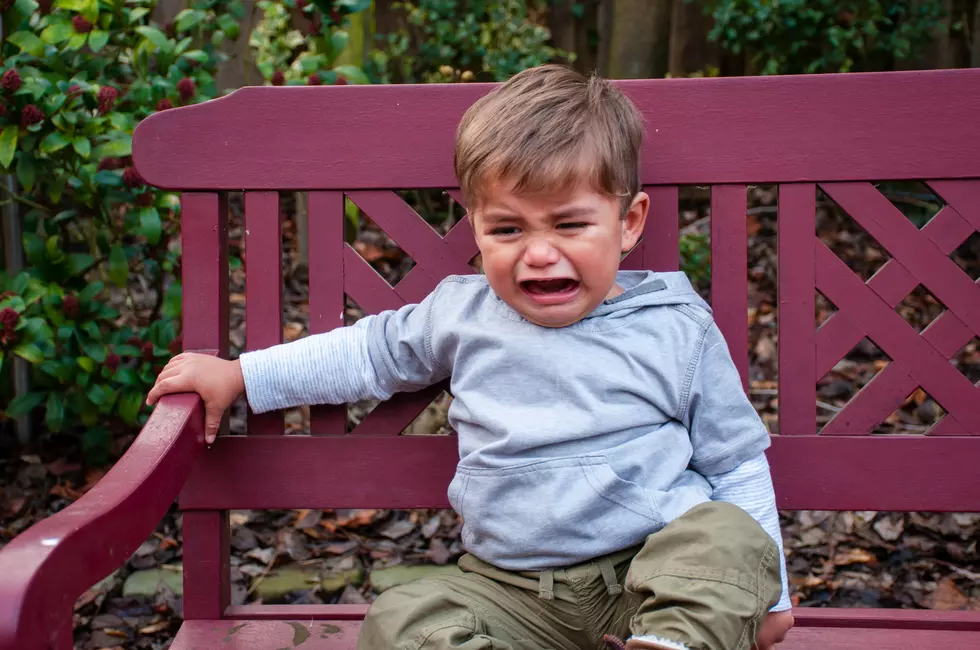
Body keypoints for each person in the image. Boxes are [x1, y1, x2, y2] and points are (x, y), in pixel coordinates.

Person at [147, 64, 794, 650]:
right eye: (508, 229)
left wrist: (772, 599)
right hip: (508, 593)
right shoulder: (462, 312)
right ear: (476, 224)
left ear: (628, 222)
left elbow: (735, 463)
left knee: (727, 536)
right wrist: (241, 375)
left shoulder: (674, 326)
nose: (539, 252)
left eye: (569, 225)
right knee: (399, 618)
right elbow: (367, 354)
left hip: (649, 580)